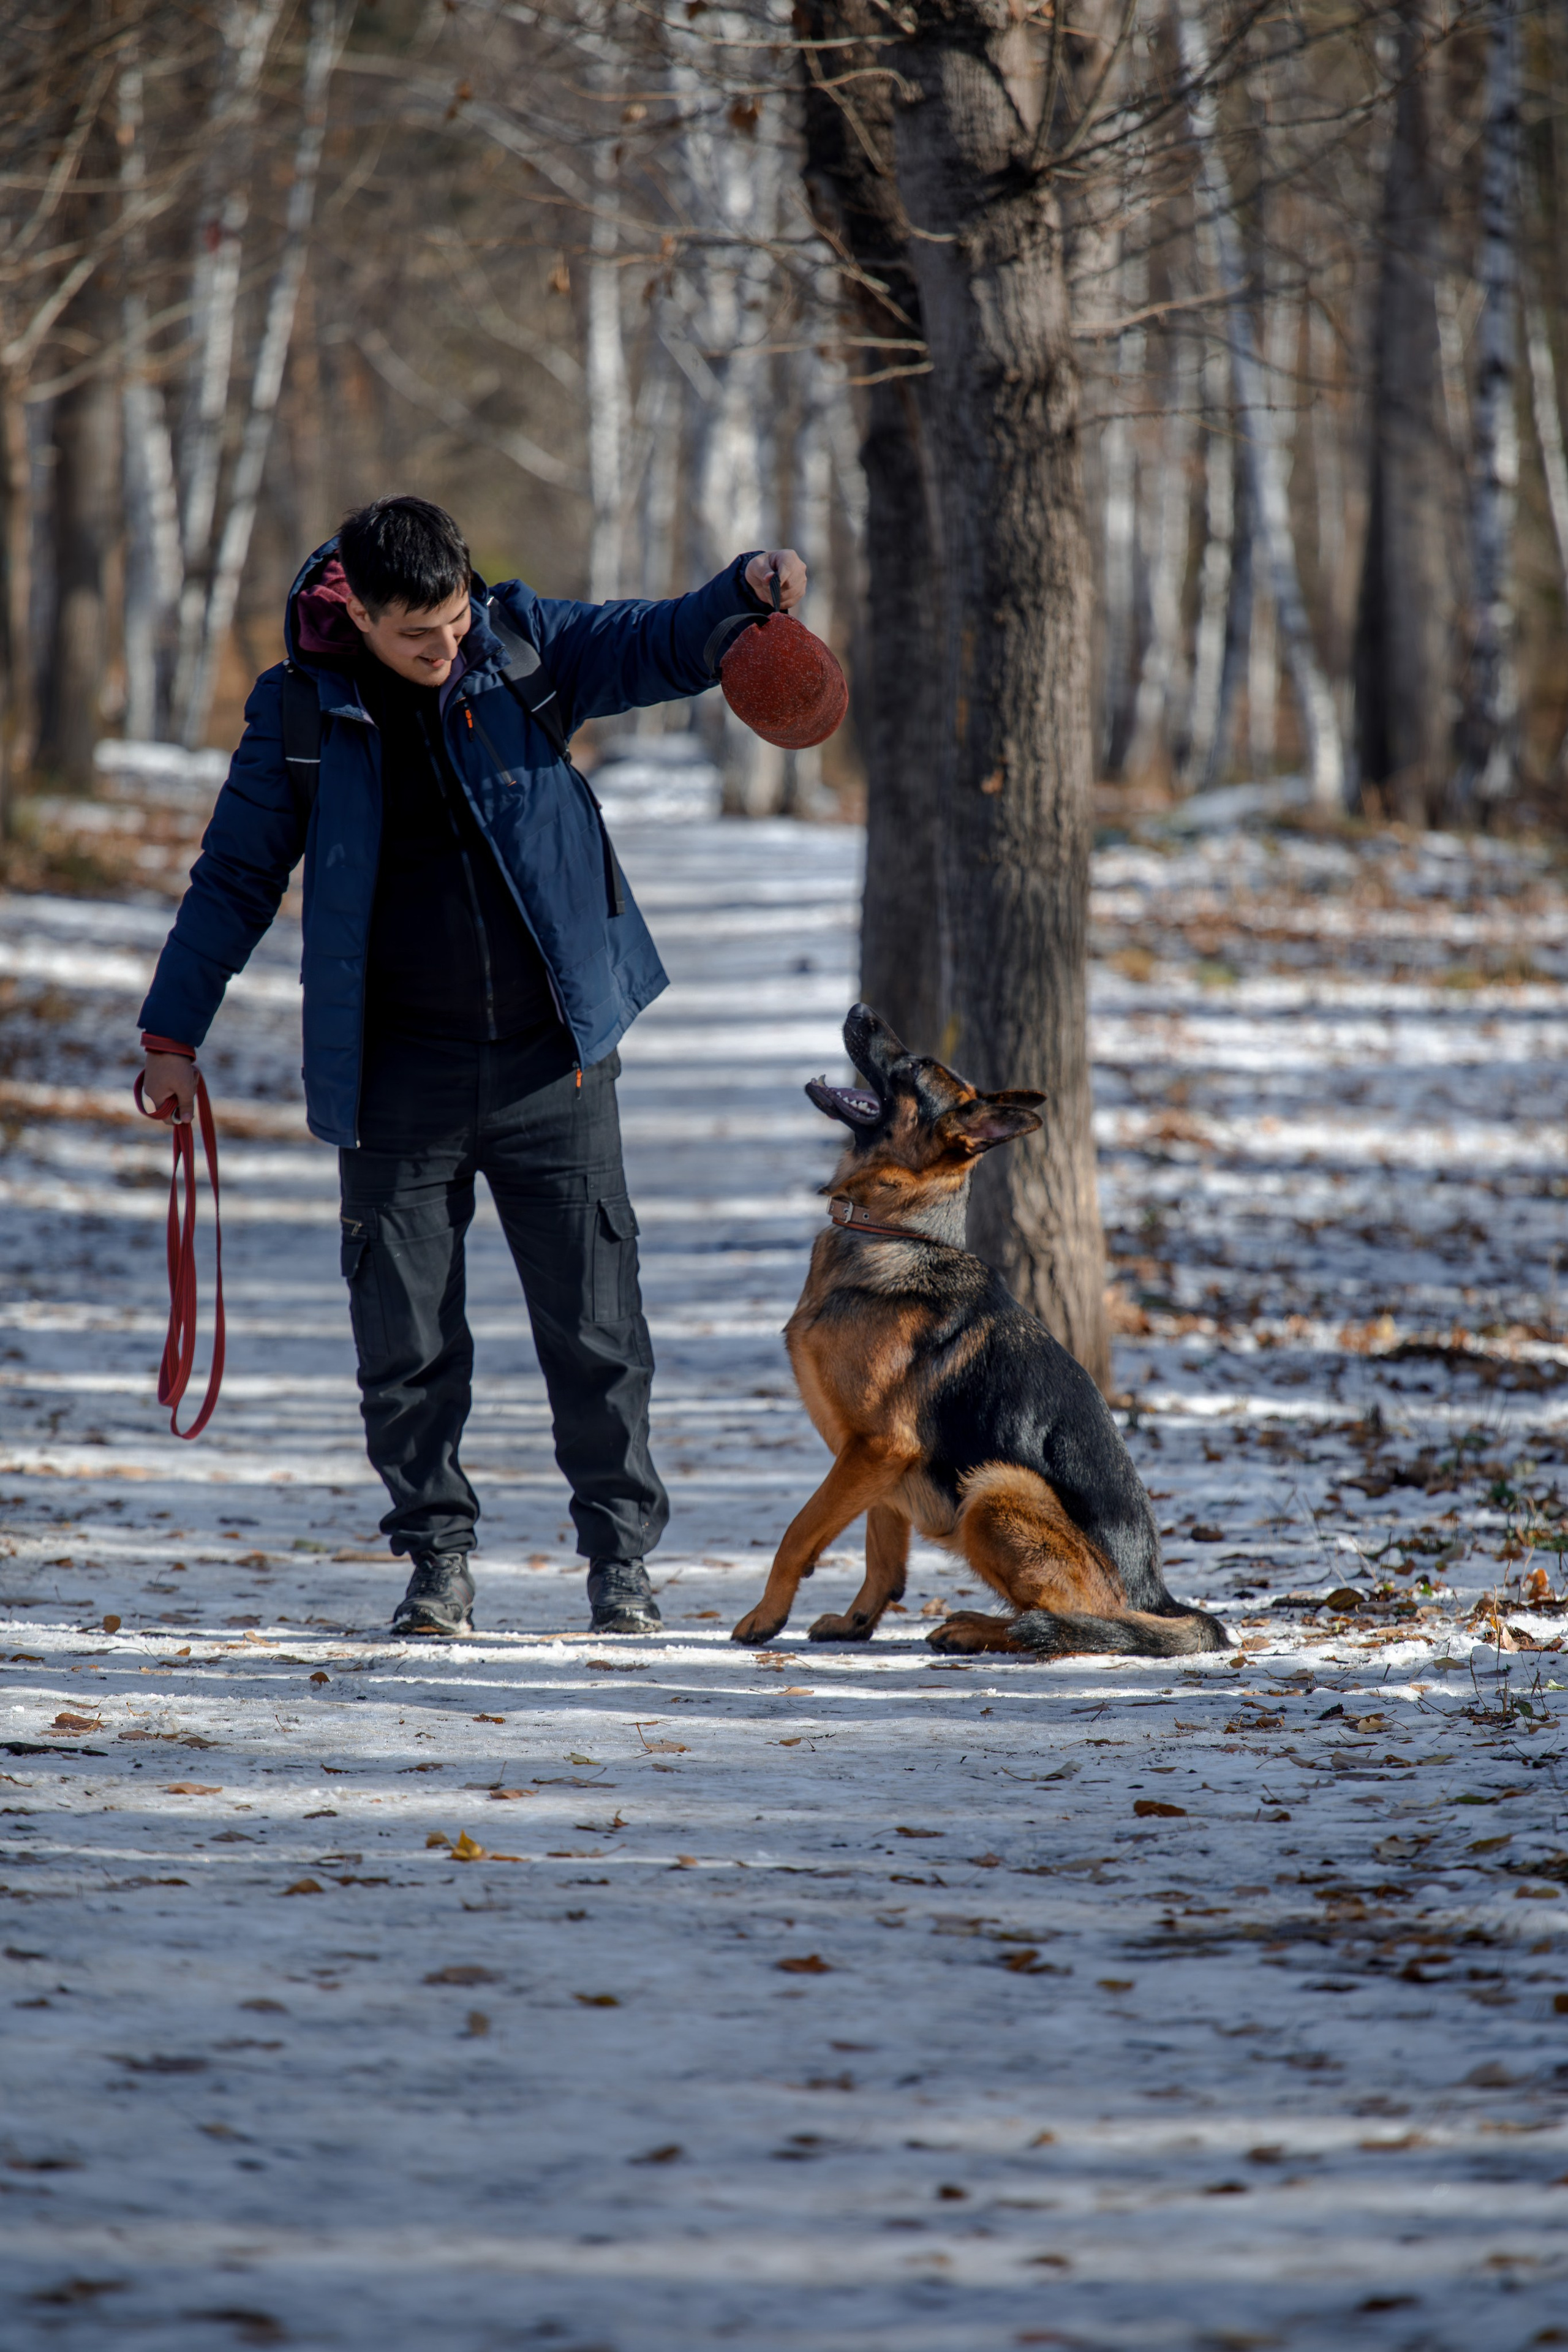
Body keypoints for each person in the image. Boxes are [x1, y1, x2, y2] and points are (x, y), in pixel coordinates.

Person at [137, 496, 806, 1637]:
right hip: (396, 1077)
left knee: (600, 1333)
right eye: (419, 637)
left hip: (556, 1064)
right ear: (354, 609)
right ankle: (436, 1562)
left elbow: (652, 639)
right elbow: (236, 877)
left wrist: (740, 594)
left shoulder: (517, 642)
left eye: (454, 622)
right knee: (404, 1340)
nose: (447, 651)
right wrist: (172, 1033)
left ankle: (620, 1569)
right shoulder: (300, 708)